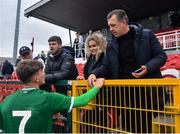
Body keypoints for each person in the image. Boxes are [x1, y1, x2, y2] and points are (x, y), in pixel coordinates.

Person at [88, 9, 167, 133]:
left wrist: (147, 68)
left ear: (124, 22)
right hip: (122, 94)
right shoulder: (111, 44)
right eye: (109, 26)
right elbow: (106, 66)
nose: (111, 29)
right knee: (126, 128)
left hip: (144, 94)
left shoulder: (146, 35)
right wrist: (94, 73)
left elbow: (161, 57)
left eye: (113, 25)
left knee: (143, 128)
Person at [0, 59, 104, 133]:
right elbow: (81, 101)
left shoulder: (7, 101)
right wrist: (96, 87)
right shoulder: (48, 98)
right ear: (36, 78)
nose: (44, 74)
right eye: (42, 72)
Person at [77, 33, 107, 132]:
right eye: (90, 46)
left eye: (94, 45)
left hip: (103, 97)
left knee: (100, 125)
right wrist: (83, 78)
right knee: (88, 122)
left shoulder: (105, 56)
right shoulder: (90, 58)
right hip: (93, 96)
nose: (92, 48)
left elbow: (106, 70)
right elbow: (88, 75)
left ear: (101, 44)